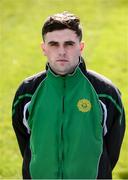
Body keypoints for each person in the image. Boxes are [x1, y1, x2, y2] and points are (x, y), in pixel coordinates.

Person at [12, 11, 125, 179]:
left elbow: (112, 146)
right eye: (54, 44)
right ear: (44, 48)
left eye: (69, 44)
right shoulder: (26, 92)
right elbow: (25, 141)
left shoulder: (106, 93)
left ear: (81, 47)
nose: (62, 51)